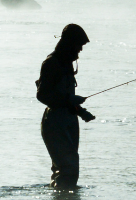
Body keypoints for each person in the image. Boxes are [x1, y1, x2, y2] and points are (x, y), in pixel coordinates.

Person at [36, 23, 95, 189]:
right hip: (54, 122)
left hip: (68, 120)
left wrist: (81, 111)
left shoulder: (67, 63)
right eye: (79, 45)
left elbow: (65, 96)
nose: (81, 50)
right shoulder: (51, 63)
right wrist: (70, 99)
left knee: (67, 167)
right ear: (70, 43)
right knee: (68, 168)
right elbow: (42, 95)